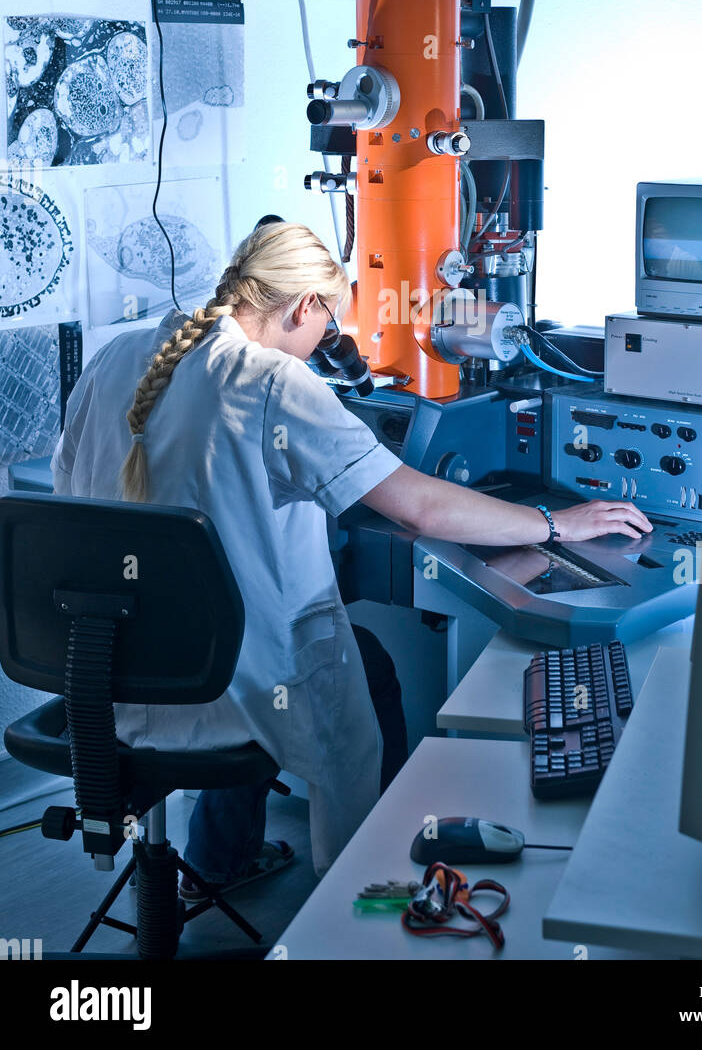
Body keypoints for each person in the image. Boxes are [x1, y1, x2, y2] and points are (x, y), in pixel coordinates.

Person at [52, 220, 651, 889]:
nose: (322, 347)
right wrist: (552, 523)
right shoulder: (273, 382)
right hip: (234, 683)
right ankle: (365, 884)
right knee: (365, 669)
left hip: (115, 672)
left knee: (263, 642)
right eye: (327, 321)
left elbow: (68, 496)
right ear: (305, 306)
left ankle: (219, 862)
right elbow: (423, 507)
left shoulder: (115, 357)